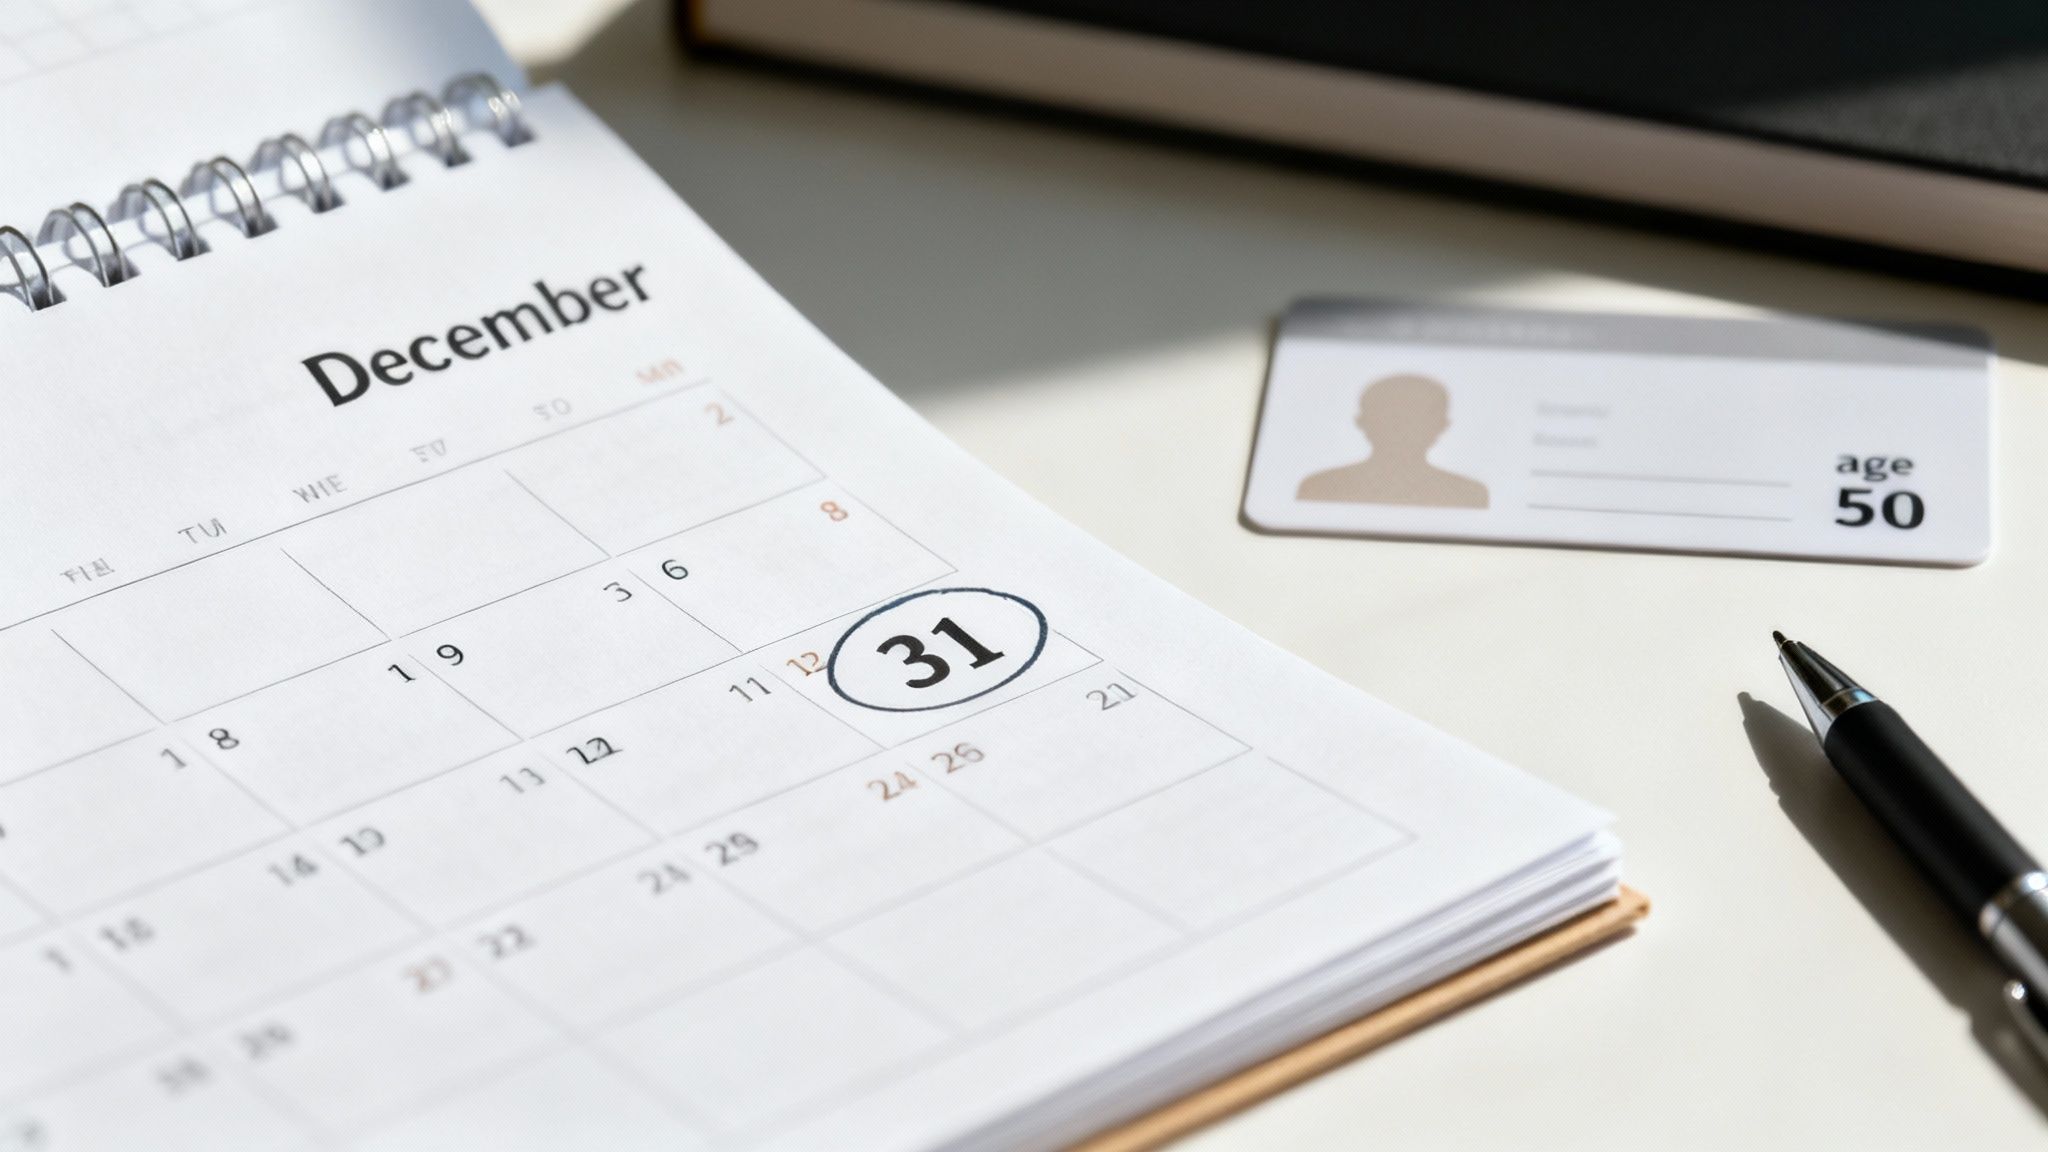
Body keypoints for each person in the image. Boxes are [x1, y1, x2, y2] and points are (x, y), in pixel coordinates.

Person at [1297, 373, 1488, 508]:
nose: (1403, 428)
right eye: (1393, 416)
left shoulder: (1470, 494)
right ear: (1363, 422)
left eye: (1416, 417)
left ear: (1441, 425)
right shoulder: (1320, 487)